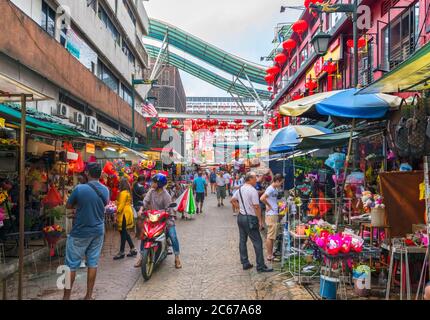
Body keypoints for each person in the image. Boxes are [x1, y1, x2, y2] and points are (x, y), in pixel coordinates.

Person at [63, 163, 109, 300]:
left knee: (71, 265)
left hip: (80, 232)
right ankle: (88, 296)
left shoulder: (79, 188)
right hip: (98, 231)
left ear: (87, 173)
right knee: (93, 263)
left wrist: (79, 209)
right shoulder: (106, 190)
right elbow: (103, 205)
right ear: (100, 174)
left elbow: (68, 205)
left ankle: (66, 297)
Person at [136, 173, 182, 269]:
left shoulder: (166, 195)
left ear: (159, 184)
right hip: (153, 218)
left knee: (173, 236)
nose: (152, 183)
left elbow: (169, 209)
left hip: (165, 219)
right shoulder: (151, 191)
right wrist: (141, 210)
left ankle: (177, 257)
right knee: (144, 235)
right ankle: (141, 257)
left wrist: (167, 213)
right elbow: (144, 202)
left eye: (154, 182)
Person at [231, 172, 273, 273]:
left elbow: (232, 200)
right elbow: (256, 207)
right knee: (257, 241)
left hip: (241, 217)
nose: (256, 180)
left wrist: (240, 208)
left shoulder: (240, 189)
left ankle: (245, 263)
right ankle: (260, 266)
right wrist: (260, 221)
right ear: (249, 179)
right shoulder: (252, 190)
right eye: (255, 178)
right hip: (250, 218)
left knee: (242, 240)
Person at [260, 174, 284, 262]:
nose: (281, 184)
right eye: (281, 182)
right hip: (271, 214)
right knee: (270, 235)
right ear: (277, 181)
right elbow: (262, 198)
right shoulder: (270, 188)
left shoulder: (273, 189)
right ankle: (269, 256)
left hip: (273, 213)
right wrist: (268, 206)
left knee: (271, 235)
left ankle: (270, 253)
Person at [113, 178, 137, 260]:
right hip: (127, 212)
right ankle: (132, 248)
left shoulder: (123, 193)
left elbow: (121, 205)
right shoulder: (127, 192)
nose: (119, 185)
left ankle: (122, 252)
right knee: (124, 232)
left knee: (123, 232)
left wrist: (116, 212)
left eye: (119, 184)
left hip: (124, 214)